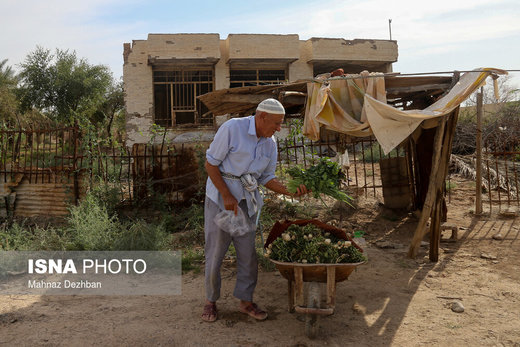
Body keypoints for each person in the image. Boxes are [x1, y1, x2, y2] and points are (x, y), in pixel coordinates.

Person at [201, 98, 309, 322]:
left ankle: (246, 301)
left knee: (248, 253)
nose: (279, 129)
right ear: (262, 117)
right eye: (277, 123)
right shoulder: (232, 128)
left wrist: (290, 192)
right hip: (221, 200)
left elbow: (267, 177)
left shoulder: (270, 144)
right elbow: (210, 164)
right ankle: (211, 301)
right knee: (216, 252)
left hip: (245, 202)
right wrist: (227, 194)